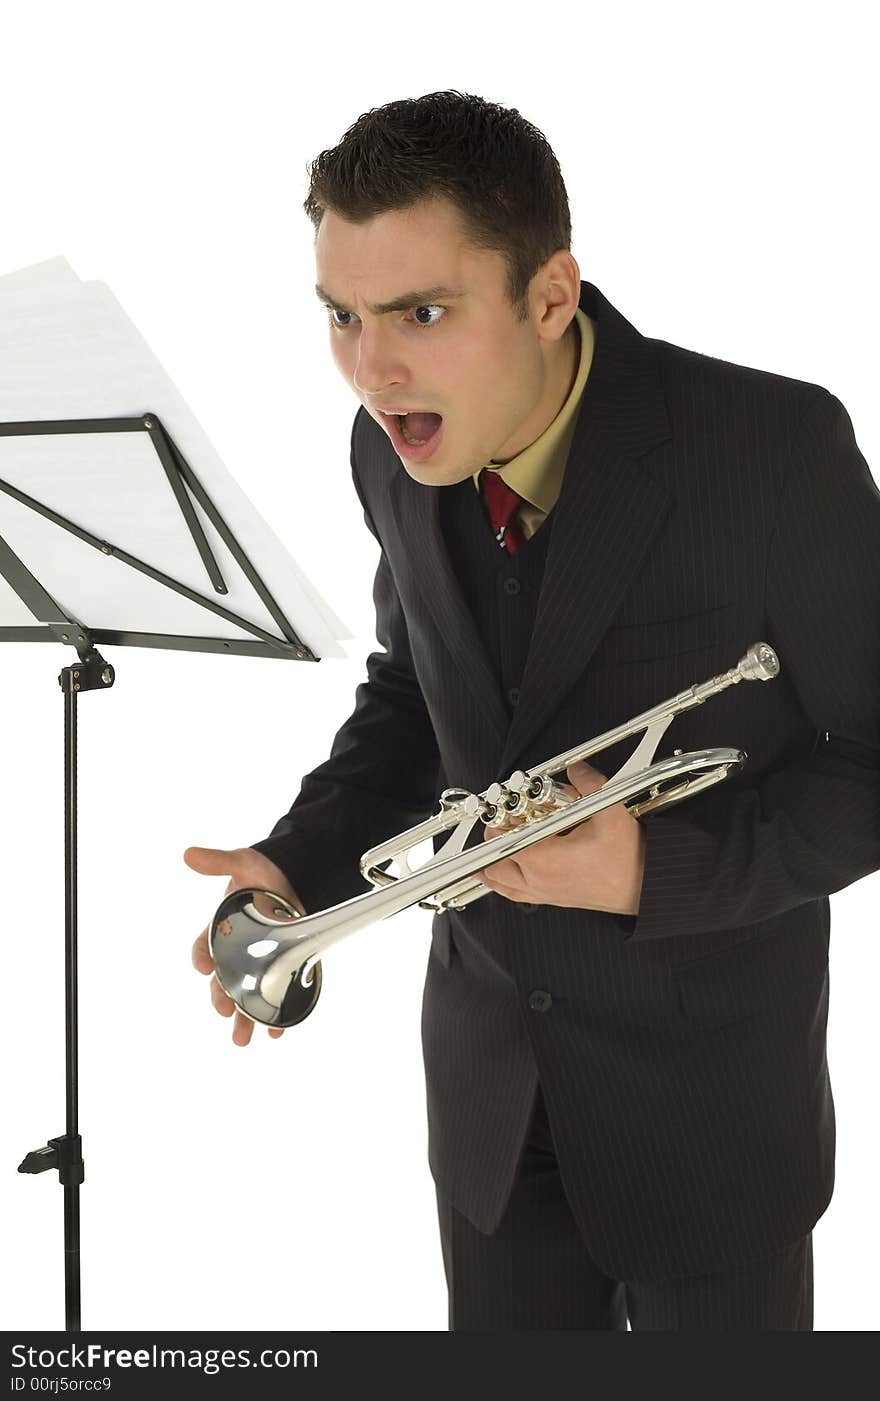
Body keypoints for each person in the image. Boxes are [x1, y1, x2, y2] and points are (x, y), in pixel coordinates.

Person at [187, 91, 880, 1331]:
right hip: (491, 1098)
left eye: (422, 313)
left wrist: (654, 871)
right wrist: (296, 863)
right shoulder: (392, 451)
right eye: (341, 317)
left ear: (551, 296)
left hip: (709, 1110)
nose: (372, 368)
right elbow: (417, 693)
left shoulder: (768, 445)